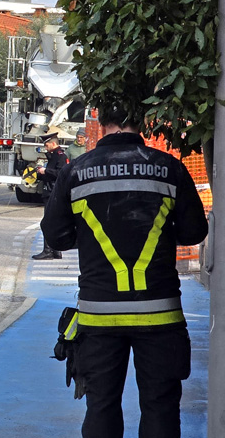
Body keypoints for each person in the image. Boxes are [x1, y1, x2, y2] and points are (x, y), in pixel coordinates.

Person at [41, 102, 207, 438]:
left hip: (99, 315)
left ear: (101, 123)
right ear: (142, 123)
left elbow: (56, 236)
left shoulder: (76, 171)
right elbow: (194, 232)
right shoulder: (169, 168)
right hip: (160, 314)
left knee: (101, 404)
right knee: (160, 406)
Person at [31, 132, 70, 260]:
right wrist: (40, 172)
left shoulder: (61, 156)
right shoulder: (53, 156)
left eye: (47, 144)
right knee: (53, 222)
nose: (45, 147)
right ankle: (56, 251)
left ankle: (48, 251)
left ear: (53, 144)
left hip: (54, 193)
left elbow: (61, 173)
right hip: (50, 191)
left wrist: (46, 171)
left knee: (48, 223)